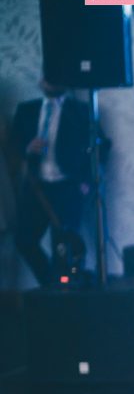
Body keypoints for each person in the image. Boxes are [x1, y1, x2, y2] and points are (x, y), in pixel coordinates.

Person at [9, 79, 96, 286]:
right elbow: (13, 146)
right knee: (24, 239)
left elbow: (99, 147)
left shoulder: (80, 112)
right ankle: (50, 286)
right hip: (36, 187)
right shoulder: (26, 110)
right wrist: (27, 149)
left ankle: (64, 297)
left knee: (63, 249)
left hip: (67, 188)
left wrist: (87, 182)